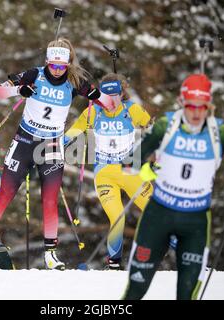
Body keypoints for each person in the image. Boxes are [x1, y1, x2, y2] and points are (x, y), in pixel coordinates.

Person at [122, 73, 224, 299]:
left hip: (195, 221)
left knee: (187, 293)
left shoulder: (219, 132)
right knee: (136, 290)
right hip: (158, 215)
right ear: (182, 103)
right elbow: (131, 162)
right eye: (191, 106)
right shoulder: (165, 125)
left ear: (209, 106)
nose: (197, 113)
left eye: (202, 107)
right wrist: (145, 169)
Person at [0, 38, 101, 270]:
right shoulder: (34, 75)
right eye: (53, 66)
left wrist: (104, 100)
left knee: (49, 199)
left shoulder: (76, 81)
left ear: (68, 65)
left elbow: (104, 101)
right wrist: (18, 90)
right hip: (25, 140)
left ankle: (50, 253)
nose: (56, 71)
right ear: (47, 62)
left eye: (61, 67)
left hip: (52, 145)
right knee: (6, 191)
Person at [64, 73, 155, 270]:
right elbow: (74, 131)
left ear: (122, 94)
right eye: (106, 97)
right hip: (105, 173)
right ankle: (113, 264)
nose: (111, 102)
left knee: (157, 213)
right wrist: (56, 145)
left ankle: (186, 259)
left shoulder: (133, 110)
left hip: (131, 172)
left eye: (115, 96)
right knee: (117, 217)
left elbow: (152, 129)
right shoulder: (93, 111)